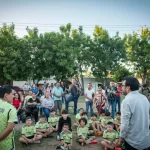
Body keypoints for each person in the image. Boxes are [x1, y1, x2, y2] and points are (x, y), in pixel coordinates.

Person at [118, 77, 150, 150]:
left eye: (122, 86)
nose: (121, 88)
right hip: (145, 140)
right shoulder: (144, 98)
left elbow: (124, 123)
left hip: (132, 142)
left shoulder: (127, 101)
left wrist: (121, 137)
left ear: (128, 88)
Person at [0, 86, 17, 150]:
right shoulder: (11, 108)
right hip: (6, 145)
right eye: (12, 94)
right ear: (6, 95)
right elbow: (10, 128)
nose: (14, 96)